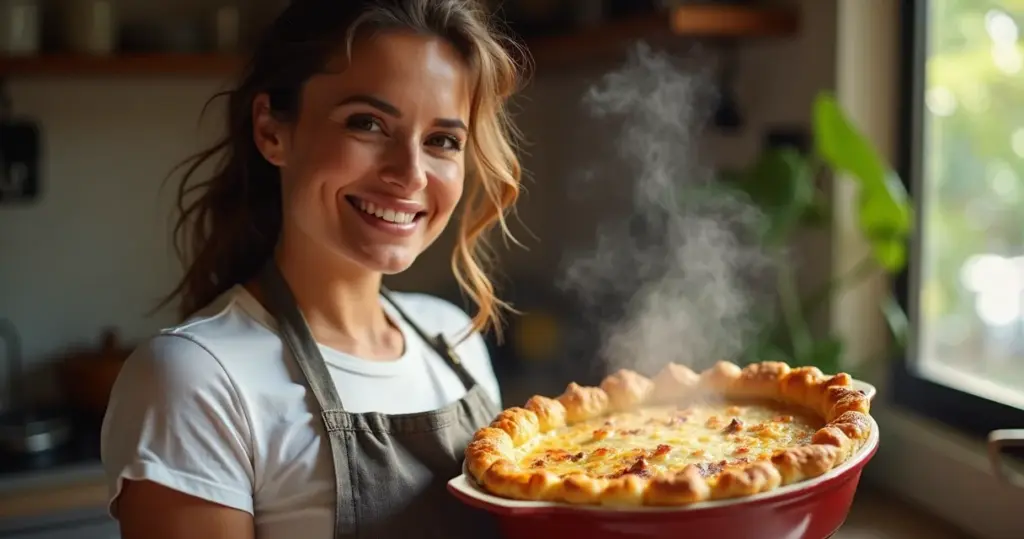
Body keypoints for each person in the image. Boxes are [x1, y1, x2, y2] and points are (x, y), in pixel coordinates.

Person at [99, 1, 526, 538]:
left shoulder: (453, 338)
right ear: (272, 131)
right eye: (368, 124)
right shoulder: (195, 380)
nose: (411, 174)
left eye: (442, 140)